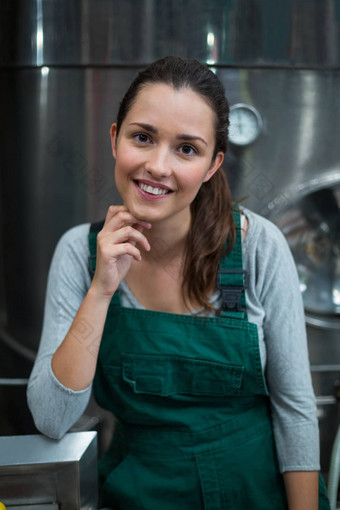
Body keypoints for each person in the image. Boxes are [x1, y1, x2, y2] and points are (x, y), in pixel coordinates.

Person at [27, 56, 330, 509]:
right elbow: (52, 419)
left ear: (212, 165)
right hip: (136, 493)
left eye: (187, 149)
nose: (157, 166)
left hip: (254, 492)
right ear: (115, 139)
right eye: (143, 137)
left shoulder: (257, 246)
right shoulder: (79, 252)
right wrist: (102, 289)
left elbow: (295, 411)